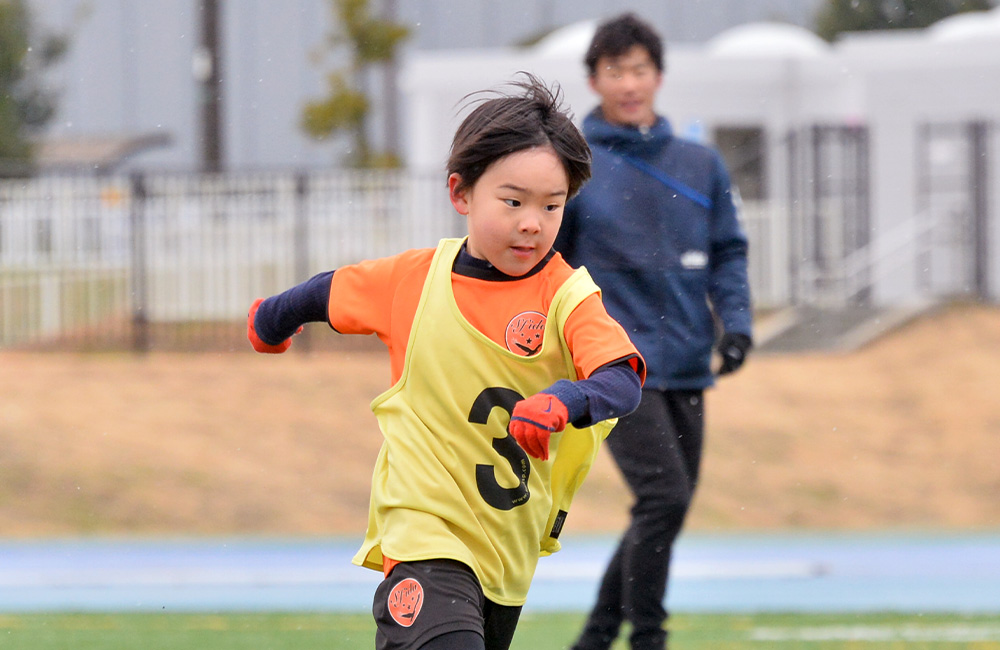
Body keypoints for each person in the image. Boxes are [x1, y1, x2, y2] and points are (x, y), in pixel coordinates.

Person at [246, 74, 646, 650]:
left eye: (551, 206)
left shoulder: (568, 297)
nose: (532, 222)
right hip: (423, 533)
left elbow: (621, 379)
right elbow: (326, 292)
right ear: (461, 194)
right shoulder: (412, 280)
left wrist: (565, 399)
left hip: (506, 550)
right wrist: (270, 321)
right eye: (512, 202)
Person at [554, 14, 753, 650]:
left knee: (664, 507)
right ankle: (649, 637)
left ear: (658, 76)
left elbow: (728, 252)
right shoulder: (574, 164)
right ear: (594, 79)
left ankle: (595, 636)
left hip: (689, 358)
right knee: (664, 497)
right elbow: (550, 267)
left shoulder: (699, 163)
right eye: (615, 70)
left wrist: (738, 325)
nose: (629, 82)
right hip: (615, 366)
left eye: (639, 69)